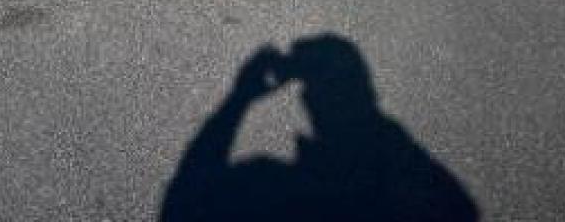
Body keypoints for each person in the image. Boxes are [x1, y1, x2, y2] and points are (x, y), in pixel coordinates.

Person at [161, 34, 479, 221]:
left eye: (310, 88)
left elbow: (184, 200)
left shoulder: (268, 183)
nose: (306, 95)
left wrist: (238, 100)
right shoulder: (434, 193)